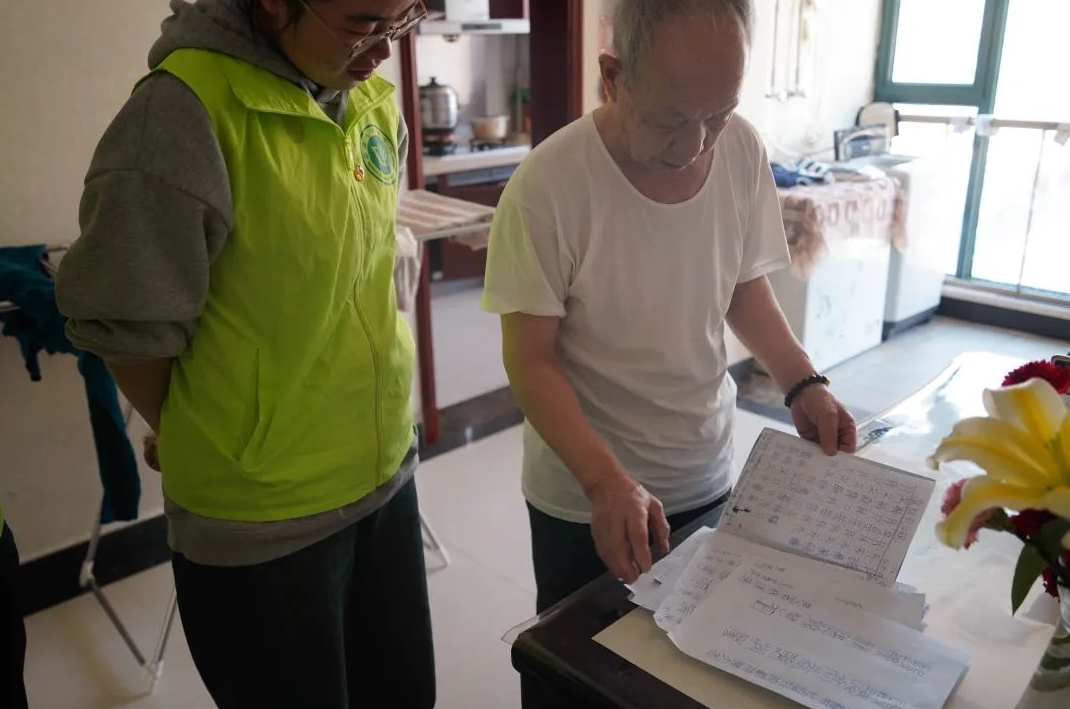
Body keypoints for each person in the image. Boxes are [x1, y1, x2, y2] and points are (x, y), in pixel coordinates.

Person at [55, 1, 435, 707]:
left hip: (384, 473)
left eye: (404, 17)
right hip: (264, 520)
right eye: (363, 24)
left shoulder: (370, 101)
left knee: (405, 695)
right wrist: (189, 426)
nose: (384, 50)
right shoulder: (182, 114)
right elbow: (127, 325)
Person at [482, 0, 858, 616]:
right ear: (614, 76)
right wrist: (605, 482)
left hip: (705, 471)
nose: (695, 144)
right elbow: (531, 360)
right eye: (670, 120)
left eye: (719, 114)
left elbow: (741, 286)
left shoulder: (741, 149)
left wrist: (802, 382)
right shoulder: (548, 187)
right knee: (583, 664)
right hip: (587, 497)